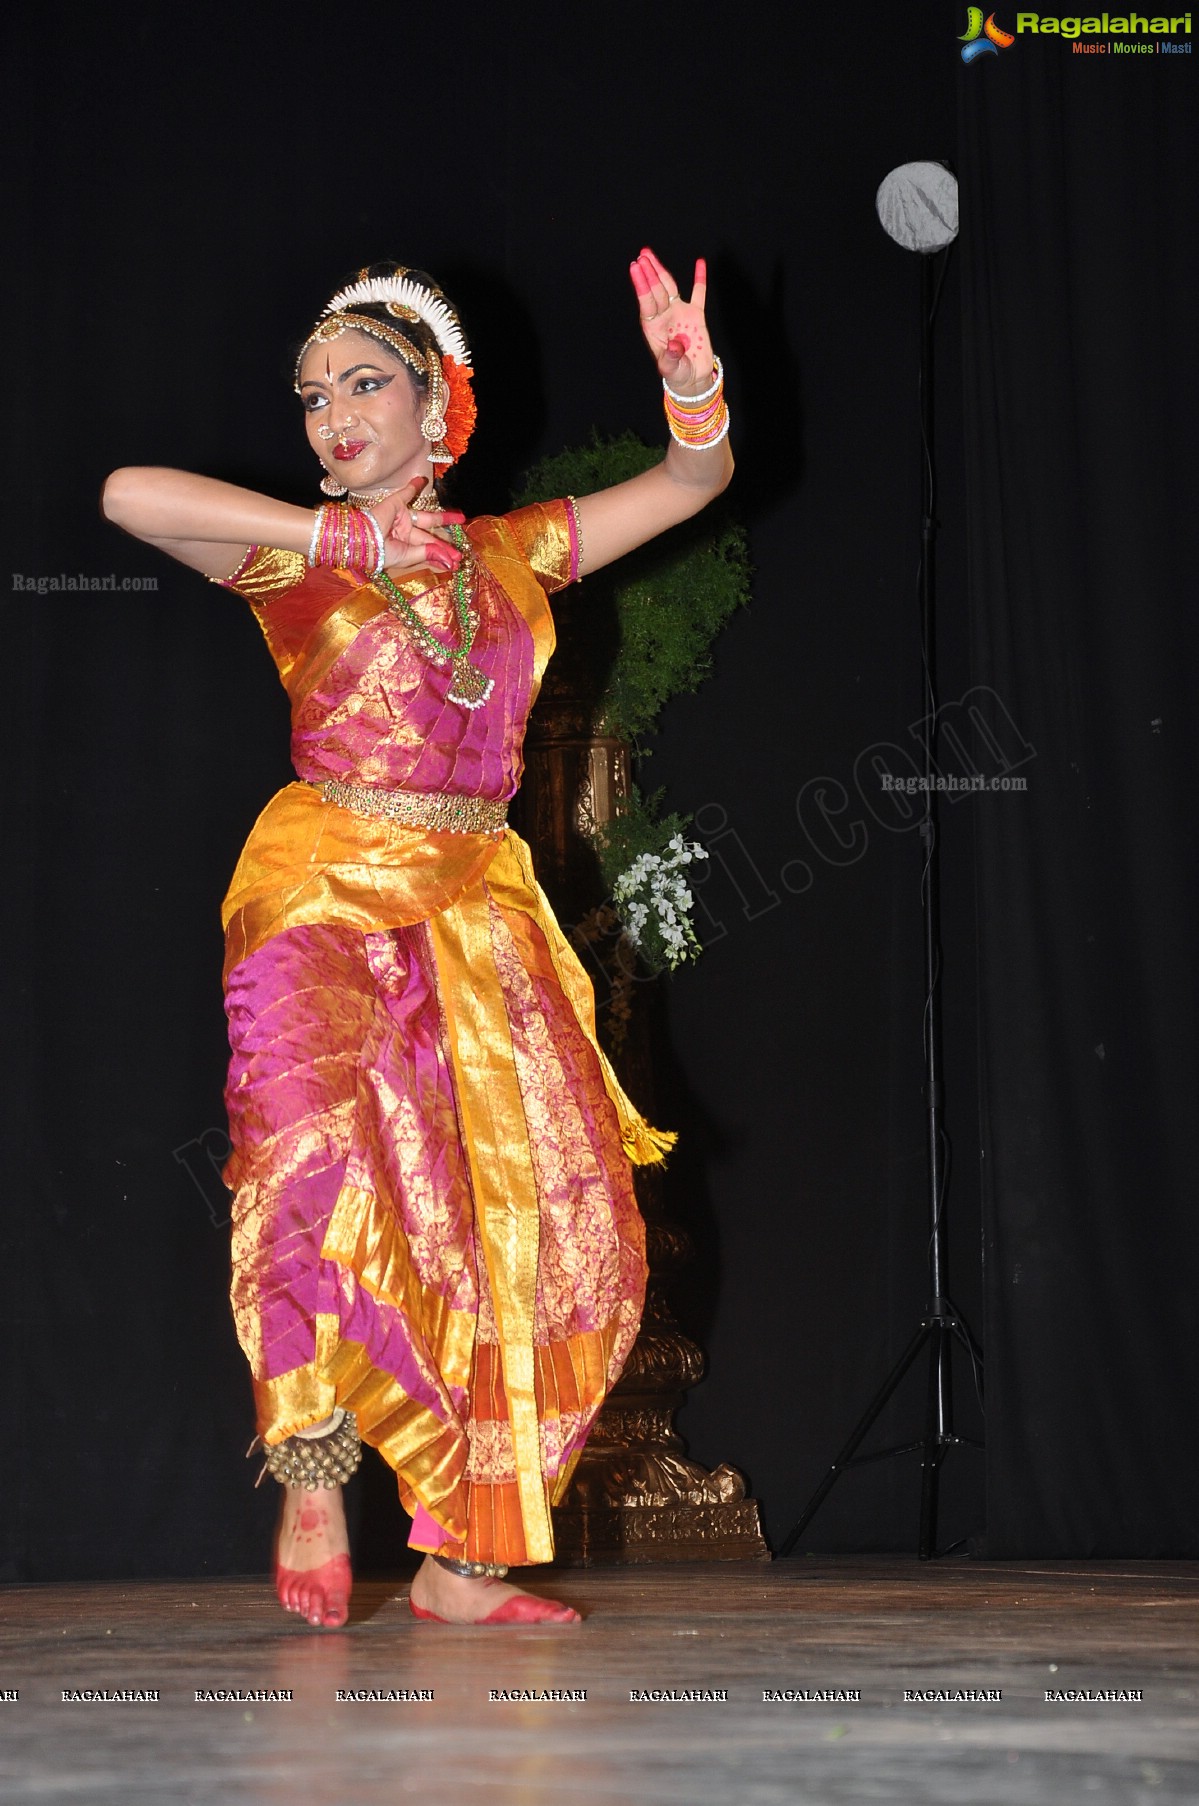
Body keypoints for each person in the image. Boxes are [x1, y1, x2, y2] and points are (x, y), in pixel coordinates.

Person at [102, 247, 733, 1628]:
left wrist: (696, 392)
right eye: (312, 391)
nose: (332, 414)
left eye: (364, 382)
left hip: (478, 906)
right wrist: (348, 542)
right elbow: (125, 496)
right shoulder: (289, 551)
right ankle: (313, 1464)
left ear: (442, 401)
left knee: (559, 1227)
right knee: (312, 1156)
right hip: (323, 885)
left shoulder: (516, 553)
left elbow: (694, 485)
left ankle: (464, 1561)